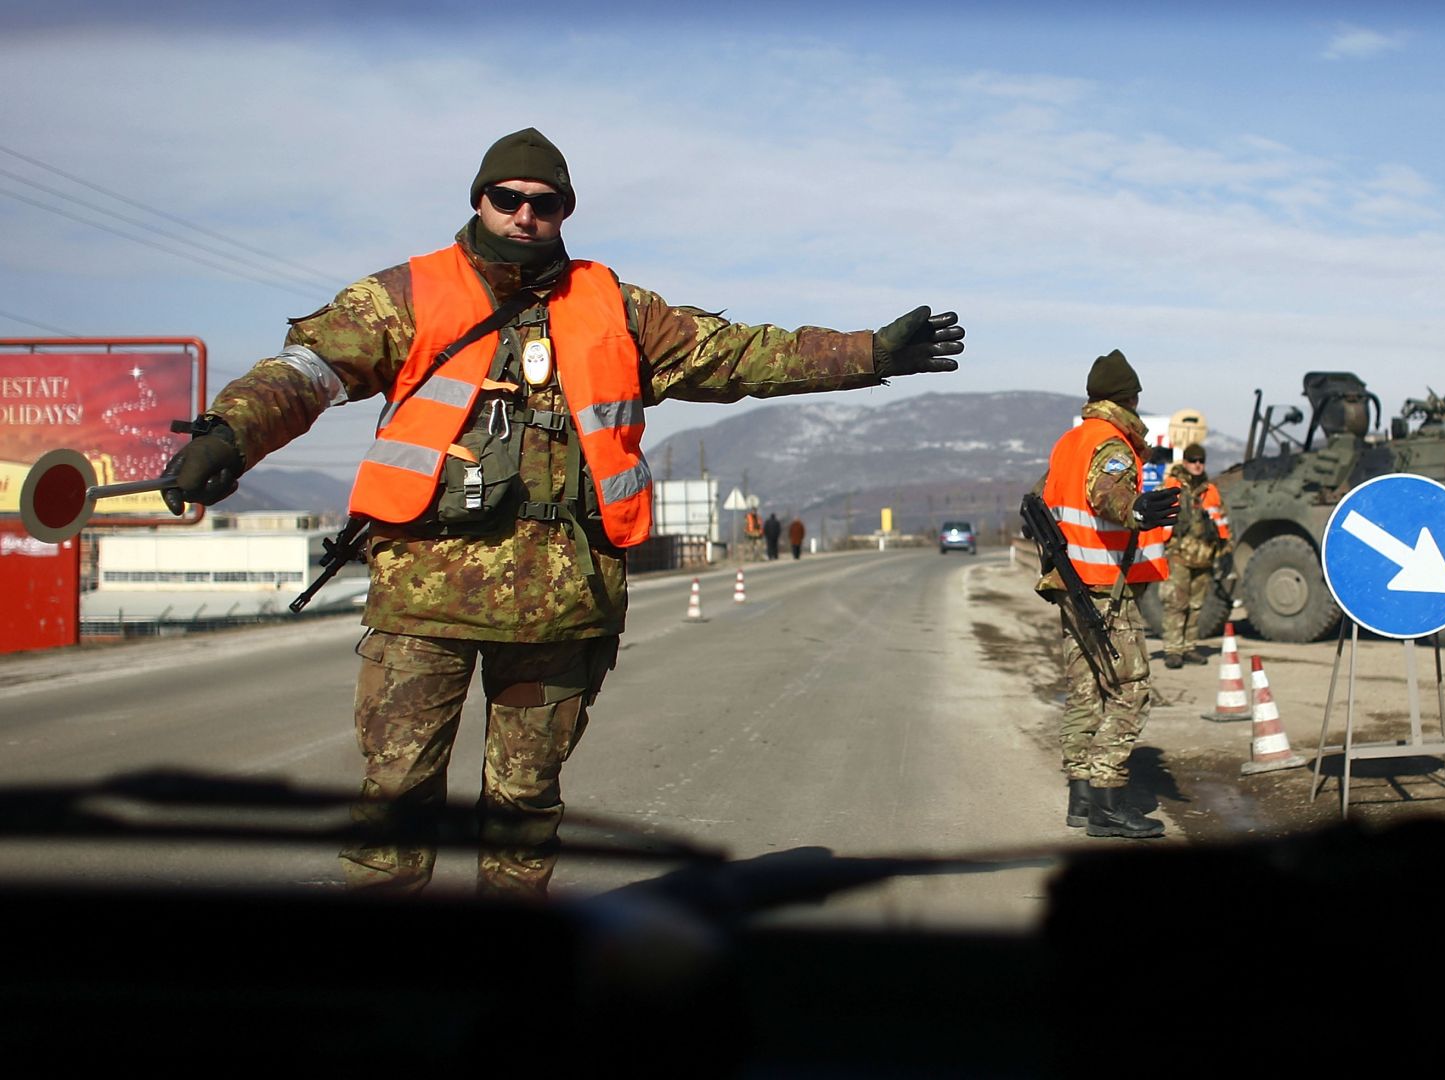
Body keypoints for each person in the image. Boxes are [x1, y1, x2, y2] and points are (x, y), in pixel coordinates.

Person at [158, 128, 963, 897]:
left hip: (561, 603)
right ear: (480, 200)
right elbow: (306, 370)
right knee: (396, 797)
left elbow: (742, 353)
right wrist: (229, 435)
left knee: (524, 811)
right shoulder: (404, 297)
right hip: (425, 597)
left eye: (545, 202)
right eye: (506, 197)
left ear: (565, 211)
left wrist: (867, 355)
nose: (525, 214)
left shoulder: (616, 306)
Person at [1036, 350, 1179, 839]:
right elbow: (1107, 496)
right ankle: (1108, 801)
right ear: (1129, 398)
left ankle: (1081, 797)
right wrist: (1138, 508)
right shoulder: (1111, 443)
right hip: (1102, 590)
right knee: (1130, 690)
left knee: (1087, 690)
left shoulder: (1069, 442)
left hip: (1073, 587)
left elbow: (1042, 498)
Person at [1158, 443, 1230, 669]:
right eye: (1192, 460)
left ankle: (1189, 647)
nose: (1197, 465)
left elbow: (1222, 522)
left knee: (1196, 605)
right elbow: (1158, 519)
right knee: (1176, 604)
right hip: (1179, 555)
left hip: (1204, 556)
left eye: (1201, 461)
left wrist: (1225, 550)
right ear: (1185, 462)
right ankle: (1173, 649)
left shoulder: (1211, 490)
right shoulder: (1172, 486)